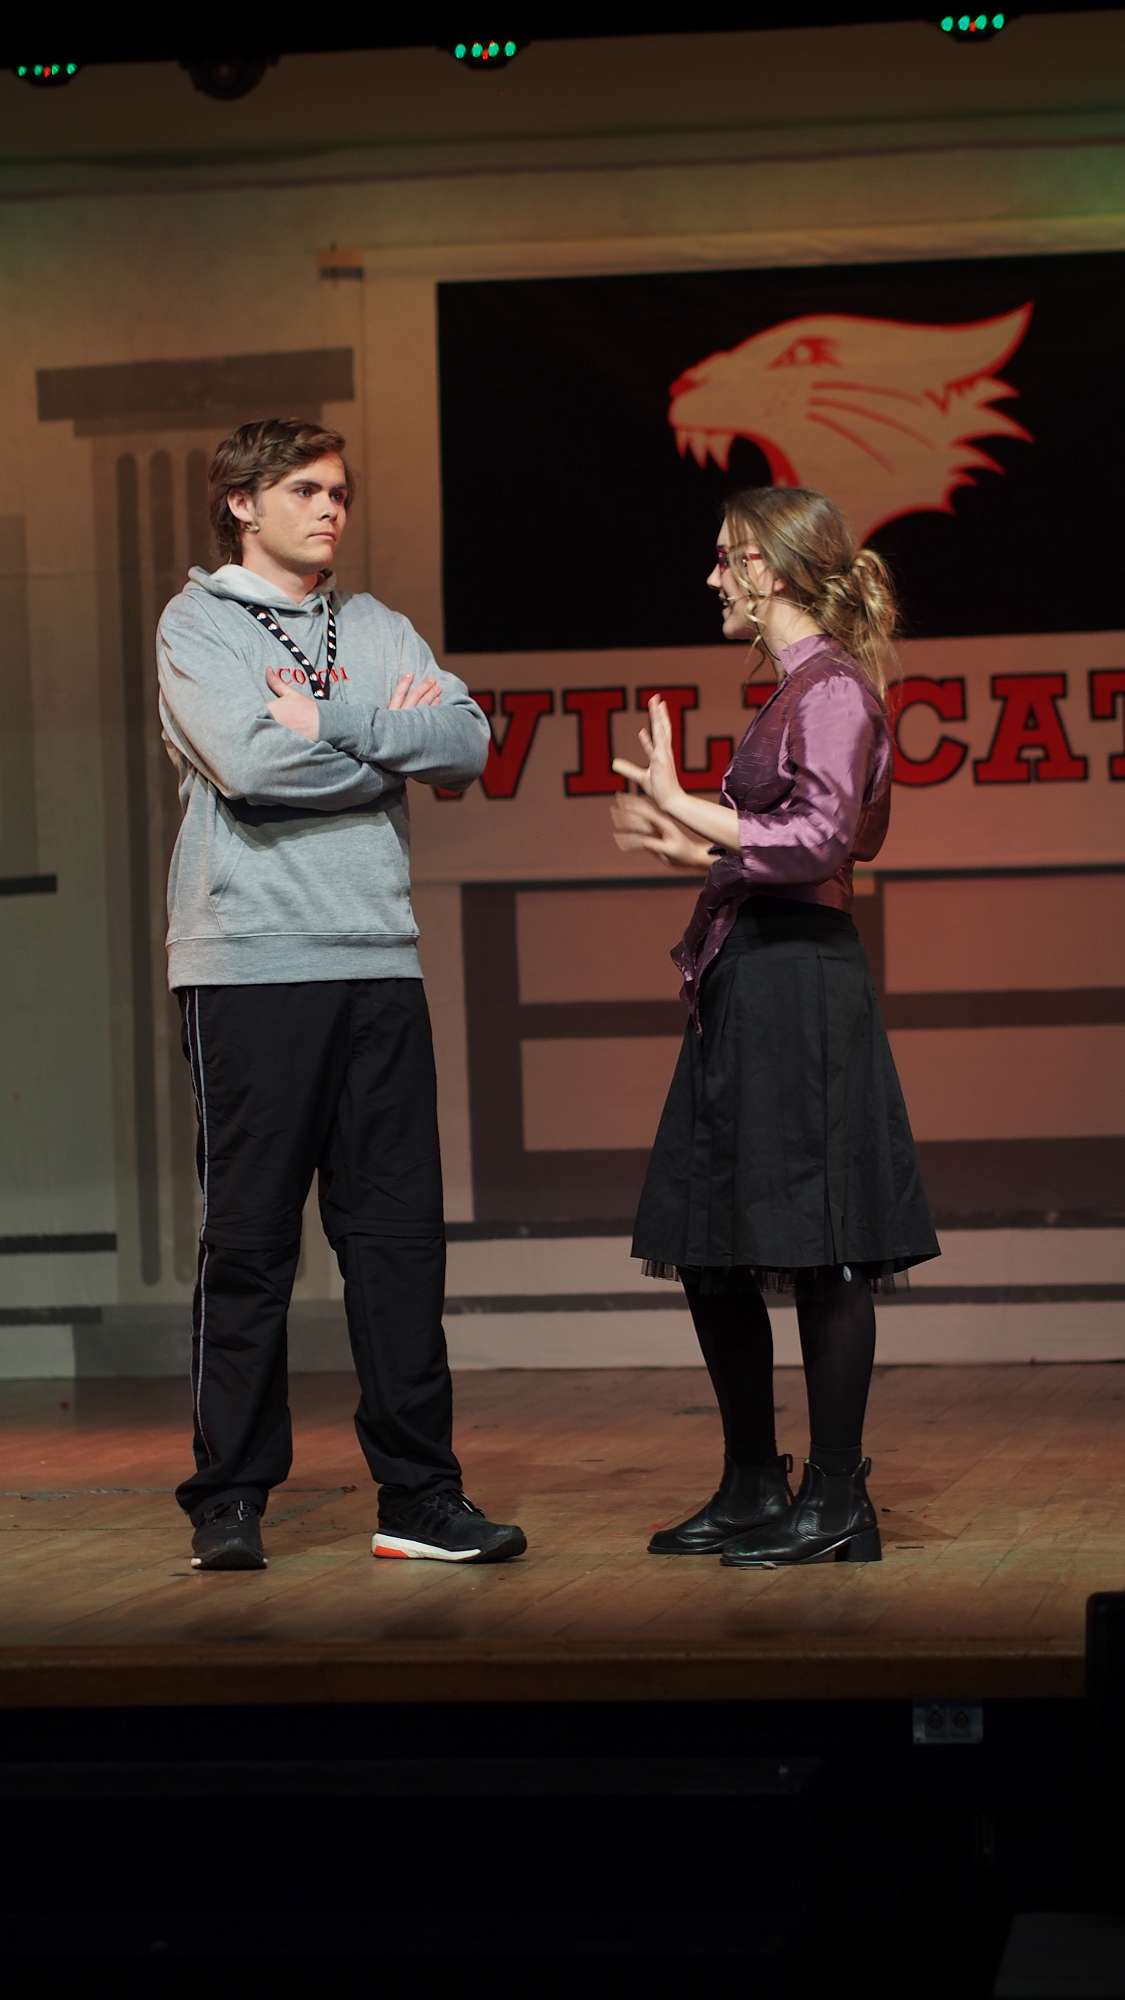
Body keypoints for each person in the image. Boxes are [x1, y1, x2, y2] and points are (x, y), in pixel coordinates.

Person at [157, 417, 526, 1571]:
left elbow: (464, 743)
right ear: (240, 502)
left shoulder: (374, 627)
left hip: (378, 960)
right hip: (251, 962)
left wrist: (333, 719)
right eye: (307, 489)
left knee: (398, 1242)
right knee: (251, 1242)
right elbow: (250, 765)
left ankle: (420, 1493)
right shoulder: (197, 624)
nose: (331, 508)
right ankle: (230, 1495)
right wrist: (387, 750)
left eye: (341, 491)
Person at [611, 485, 938, 1568]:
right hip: (750, 973)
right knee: (714, 1238)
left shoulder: (832, 688)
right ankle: (754, 1480)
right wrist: (696, 845)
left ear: (772, 569)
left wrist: (687, 805)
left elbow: (821, 838)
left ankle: (838, 1496)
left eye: (727, 557)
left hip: (799, 980)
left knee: (822, 1239)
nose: (712, 576)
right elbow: (778, 841)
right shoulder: (794, 691)